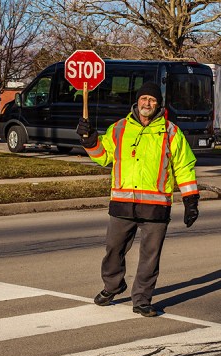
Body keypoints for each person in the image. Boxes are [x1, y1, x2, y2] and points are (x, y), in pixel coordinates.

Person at [76, 81, 199, 317]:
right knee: (113, 249)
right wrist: (89, 139)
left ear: (158, 105)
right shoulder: (120, 128)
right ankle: (112, 286)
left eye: (152, 100)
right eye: (144, 99)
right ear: (137, 101)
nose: (147, 103)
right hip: (123, 203)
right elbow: (103, 156)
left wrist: (190, 200)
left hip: (156, 207)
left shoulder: (171, 131)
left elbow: (184, 167)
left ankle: (142, 299)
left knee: (150, 256)